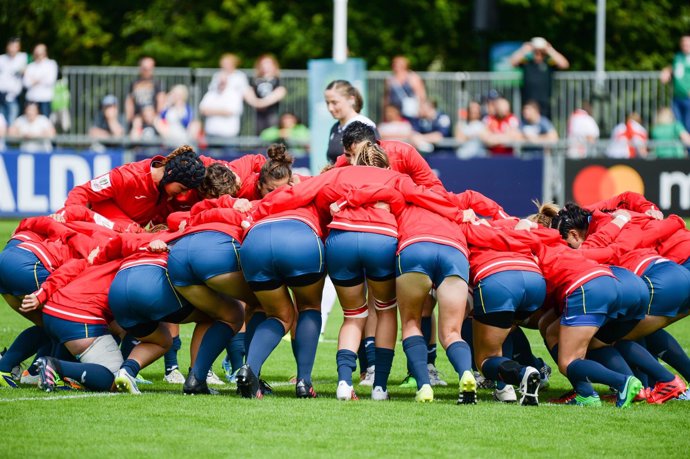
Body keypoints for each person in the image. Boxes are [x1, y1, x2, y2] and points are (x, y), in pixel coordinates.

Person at [509, 37, 569, 119]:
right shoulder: (526, 62)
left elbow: (564, 64)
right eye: (535, 51)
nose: (537, 54)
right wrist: (524, 50)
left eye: (540, 52)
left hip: (544, 102)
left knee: (544, 127)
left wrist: (550, 50)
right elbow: (512, 62)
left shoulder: (549, 63)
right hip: (528, 102)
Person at [324, 80, 377, 163]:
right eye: (327, 103)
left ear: (351, 99)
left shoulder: (365, 126)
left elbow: (372, 161)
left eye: (334, 102)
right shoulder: (335, 128)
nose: (330, 108)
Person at [200, 55, 248, 142]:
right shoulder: (211, 93)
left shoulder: (234, 92)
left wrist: (212, 111)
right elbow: (203, 109)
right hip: (212, 133)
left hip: (228, 133)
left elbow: (231, 111)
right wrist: (222, 111)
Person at [244, 54, 287, 135]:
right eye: (263, 64)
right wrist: (257, 103)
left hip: (273, 114)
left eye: (268, 64)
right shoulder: (254, 81)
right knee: (259, 136)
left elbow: (280, 93)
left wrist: (260, 103)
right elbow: (248, 94)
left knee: (272, 136)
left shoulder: (278, 81)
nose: (265, 66)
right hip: (258, 116)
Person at [660, 35, 690, 132]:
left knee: (688, 125)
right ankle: (682, 147)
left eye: (687, 44)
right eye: (684, 44)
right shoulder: (678, 57)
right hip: (677, 96)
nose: (685, 46)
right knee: (678, 125)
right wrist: (667, 70)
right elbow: (674, 68)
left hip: (688, 97)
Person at [384, 55, 427, 122]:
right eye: (394, 64)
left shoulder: (412, 77)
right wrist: (385, 111)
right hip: (394, 112)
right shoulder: (390, 79)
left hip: (410, 110)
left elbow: (421, 94)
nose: (395, 66)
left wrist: (421, 108)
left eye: (397, 64)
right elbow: (386, 97)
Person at [125, 56, 165, 125]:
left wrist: (157, 116)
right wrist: (130, 118)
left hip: (153, 116)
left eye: (149, 68)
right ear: (140, 68)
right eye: (145, 68)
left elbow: (161, 100)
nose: (147, 71)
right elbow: (130, 101)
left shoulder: (157, 83)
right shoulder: (134, 83)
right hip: (138, 117)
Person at [22, 44, 58, 117]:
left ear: (45, 53)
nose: (38, 55)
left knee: (45, 122)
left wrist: (34, 80)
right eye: (36, 53)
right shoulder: (30, 66)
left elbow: (50, 81)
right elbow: (26, 83)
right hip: (31, 98)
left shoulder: (51, 64)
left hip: (45, 98)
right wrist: (41, 78)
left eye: (40, 53)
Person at [0, 37, 28, 124]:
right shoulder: (1, 59)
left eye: (15, 47)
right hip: (1, 95)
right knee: (1, 123)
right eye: (11, 46)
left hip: (14, 97)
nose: (12, 49)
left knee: (12, 122)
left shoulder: (22, 57)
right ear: (7, 47)